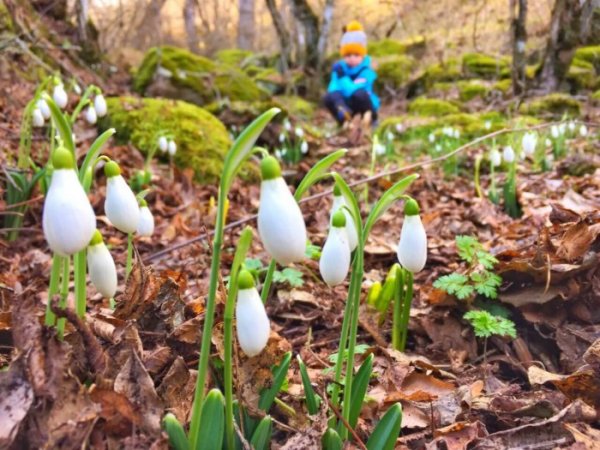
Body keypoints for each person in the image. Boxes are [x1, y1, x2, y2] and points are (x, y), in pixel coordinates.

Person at [323, 21, 380, 127]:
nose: (352, 58)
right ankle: (345, 120)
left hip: (364, 105)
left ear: (362, 55)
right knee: (329, 97)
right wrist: (340, 105)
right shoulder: (339, 68)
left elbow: (354, 90)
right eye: (348, 55)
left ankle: (371, 121)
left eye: (356, 55)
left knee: (359, 94)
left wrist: (343, 78)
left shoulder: (367, 71)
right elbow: (333, 87)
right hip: (347, 106)